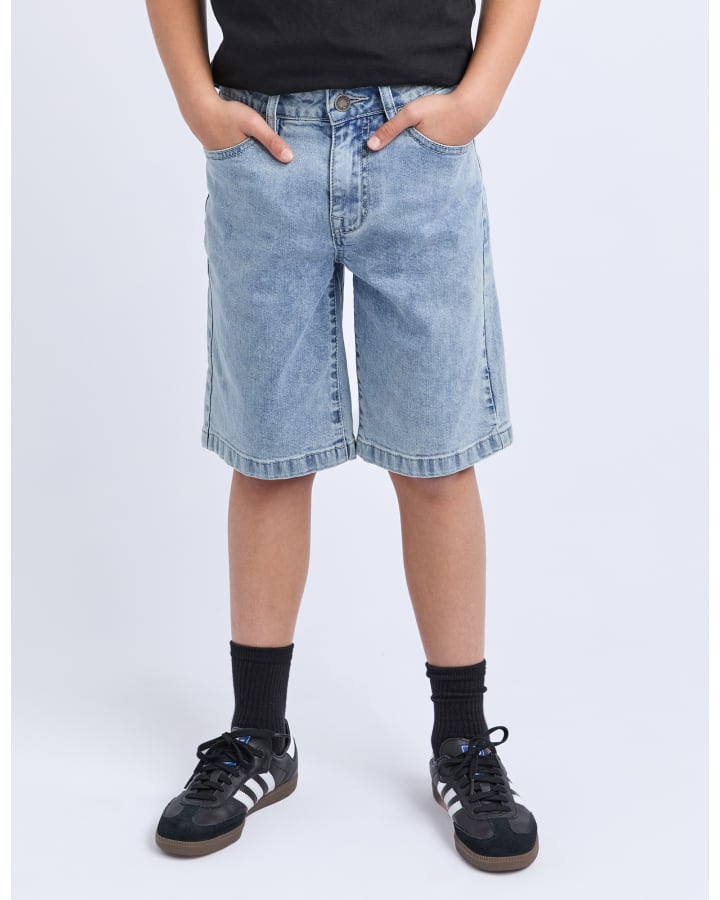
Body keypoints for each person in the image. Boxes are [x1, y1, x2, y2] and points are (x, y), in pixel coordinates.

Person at [145, 0, 542, 873]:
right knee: (269, 457)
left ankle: (462, 738)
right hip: (263, 144)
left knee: (438, 461)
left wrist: (478, 97)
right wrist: (197, 100)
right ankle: (259, 733)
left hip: (419, 145)